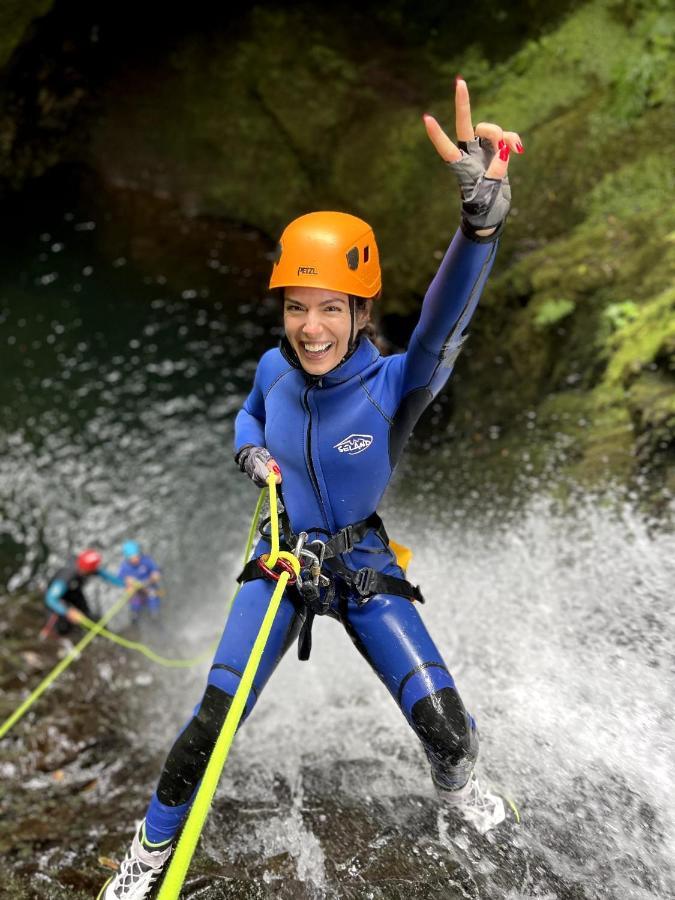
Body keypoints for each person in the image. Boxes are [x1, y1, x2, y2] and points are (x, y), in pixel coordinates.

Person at [102, 77, 521, 899]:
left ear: (361, 309)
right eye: (296, 307)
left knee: (448, 733)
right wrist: (251, 456)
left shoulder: (401, 381)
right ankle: (147, 854)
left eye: (331, 307)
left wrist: (479, 223)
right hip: (281, 560)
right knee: (208, 726)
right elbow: (249, 418)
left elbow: (444, 318)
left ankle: (462, 791)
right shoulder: (272, 368)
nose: (310, 327)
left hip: (360, 563)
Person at [42, 548, 124, 637]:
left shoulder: (90, 568)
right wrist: (67, 612)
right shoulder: (67, 575)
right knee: (61, 628)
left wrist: (124, 584)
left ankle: (98, 634)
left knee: (88, 617)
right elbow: (50, 599)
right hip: (60, 598)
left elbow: (105, 575)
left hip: (75, 592)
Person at [118, 540, 163, 624]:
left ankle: (155, 616)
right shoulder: (125, 567)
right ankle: (135, 617)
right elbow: (121, 579)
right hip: (136, 592)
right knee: (135, 607)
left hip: (149, 588)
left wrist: (155, 575)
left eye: (137, 556)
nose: (136, 559)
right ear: (128, 558)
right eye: (132, 558)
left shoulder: (146, 560)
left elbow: (155, 570)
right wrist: (128, 583)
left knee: (154, 601)